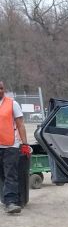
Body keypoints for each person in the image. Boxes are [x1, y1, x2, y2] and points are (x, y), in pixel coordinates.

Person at [0, 81, 30, 215]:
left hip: (10, 145)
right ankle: (6, 198)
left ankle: (11, 202)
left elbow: (20, 124)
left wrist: (24, 143)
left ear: (4, 89)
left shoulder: (12, 104)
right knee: (2, 175)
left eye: (1, 88)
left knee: (10, 174)